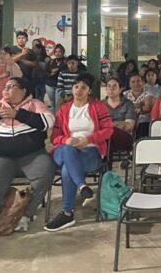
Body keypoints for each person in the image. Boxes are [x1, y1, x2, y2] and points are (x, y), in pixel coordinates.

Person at [0, 77, 55, 248]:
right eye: (5, 87)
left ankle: (25, 216)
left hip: (30, 155)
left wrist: (18, 114)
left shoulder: (34, 104)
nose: (6, 90)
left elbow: (47, 122)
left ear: (24, 91)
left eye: (12, 86)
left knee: (45, 173)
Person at [45, 73, 113, 231]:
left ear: (89, 90)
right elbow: (54, 137)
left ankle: (67, 213)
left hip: (90, 151)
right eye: (76, 87)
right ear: (72, 89)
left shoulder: (98, 107)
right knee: (68, 150)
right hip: (63, 149)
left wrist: (88, 140)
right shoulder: (64, 109)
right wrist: (65, 140)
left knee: (67, 169)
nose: (79, 90)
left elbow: (108, 130)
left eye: (83, 87)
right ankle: (82, 186)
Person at [102, 77, 136, 163]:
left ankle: (106, 165)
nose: (111, 88)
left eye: (114, 86)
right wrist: (119, 124)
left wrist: (108, 125)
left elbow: (129, 126)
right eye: (109, 86)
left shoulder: (128, 104)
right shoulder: (100, 105)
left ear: (120, 89)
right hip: (105, 138)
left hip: (124, 137)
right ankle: (107, 166)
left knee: (109, 133)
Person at [123, 73, 153, 139]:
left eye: (138, 81)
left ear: (142, 82)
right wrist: (141, 104)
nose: (136, 84)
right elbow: (122, 108)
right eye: (133, 82)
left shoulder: (148, 93)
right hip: (127, 120)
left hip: (143, 121)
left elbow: (147, 108)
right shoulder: (124, 94)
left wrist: (130, 107)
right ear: (129, 84)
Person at [45, 44, 66, 112]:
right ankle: (53, 116)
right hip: (50, 84)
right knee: (52, 103)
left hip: (60, 85)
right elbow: (45, 72)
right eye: (56, 52)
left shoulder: (66, 61)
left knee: (58, 103)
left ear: (63, 52)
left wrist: (58, 70)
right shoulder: (51, 61)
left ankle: (59, 116)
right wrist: (51, 74)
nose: (58, 53)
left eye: (59, 52)